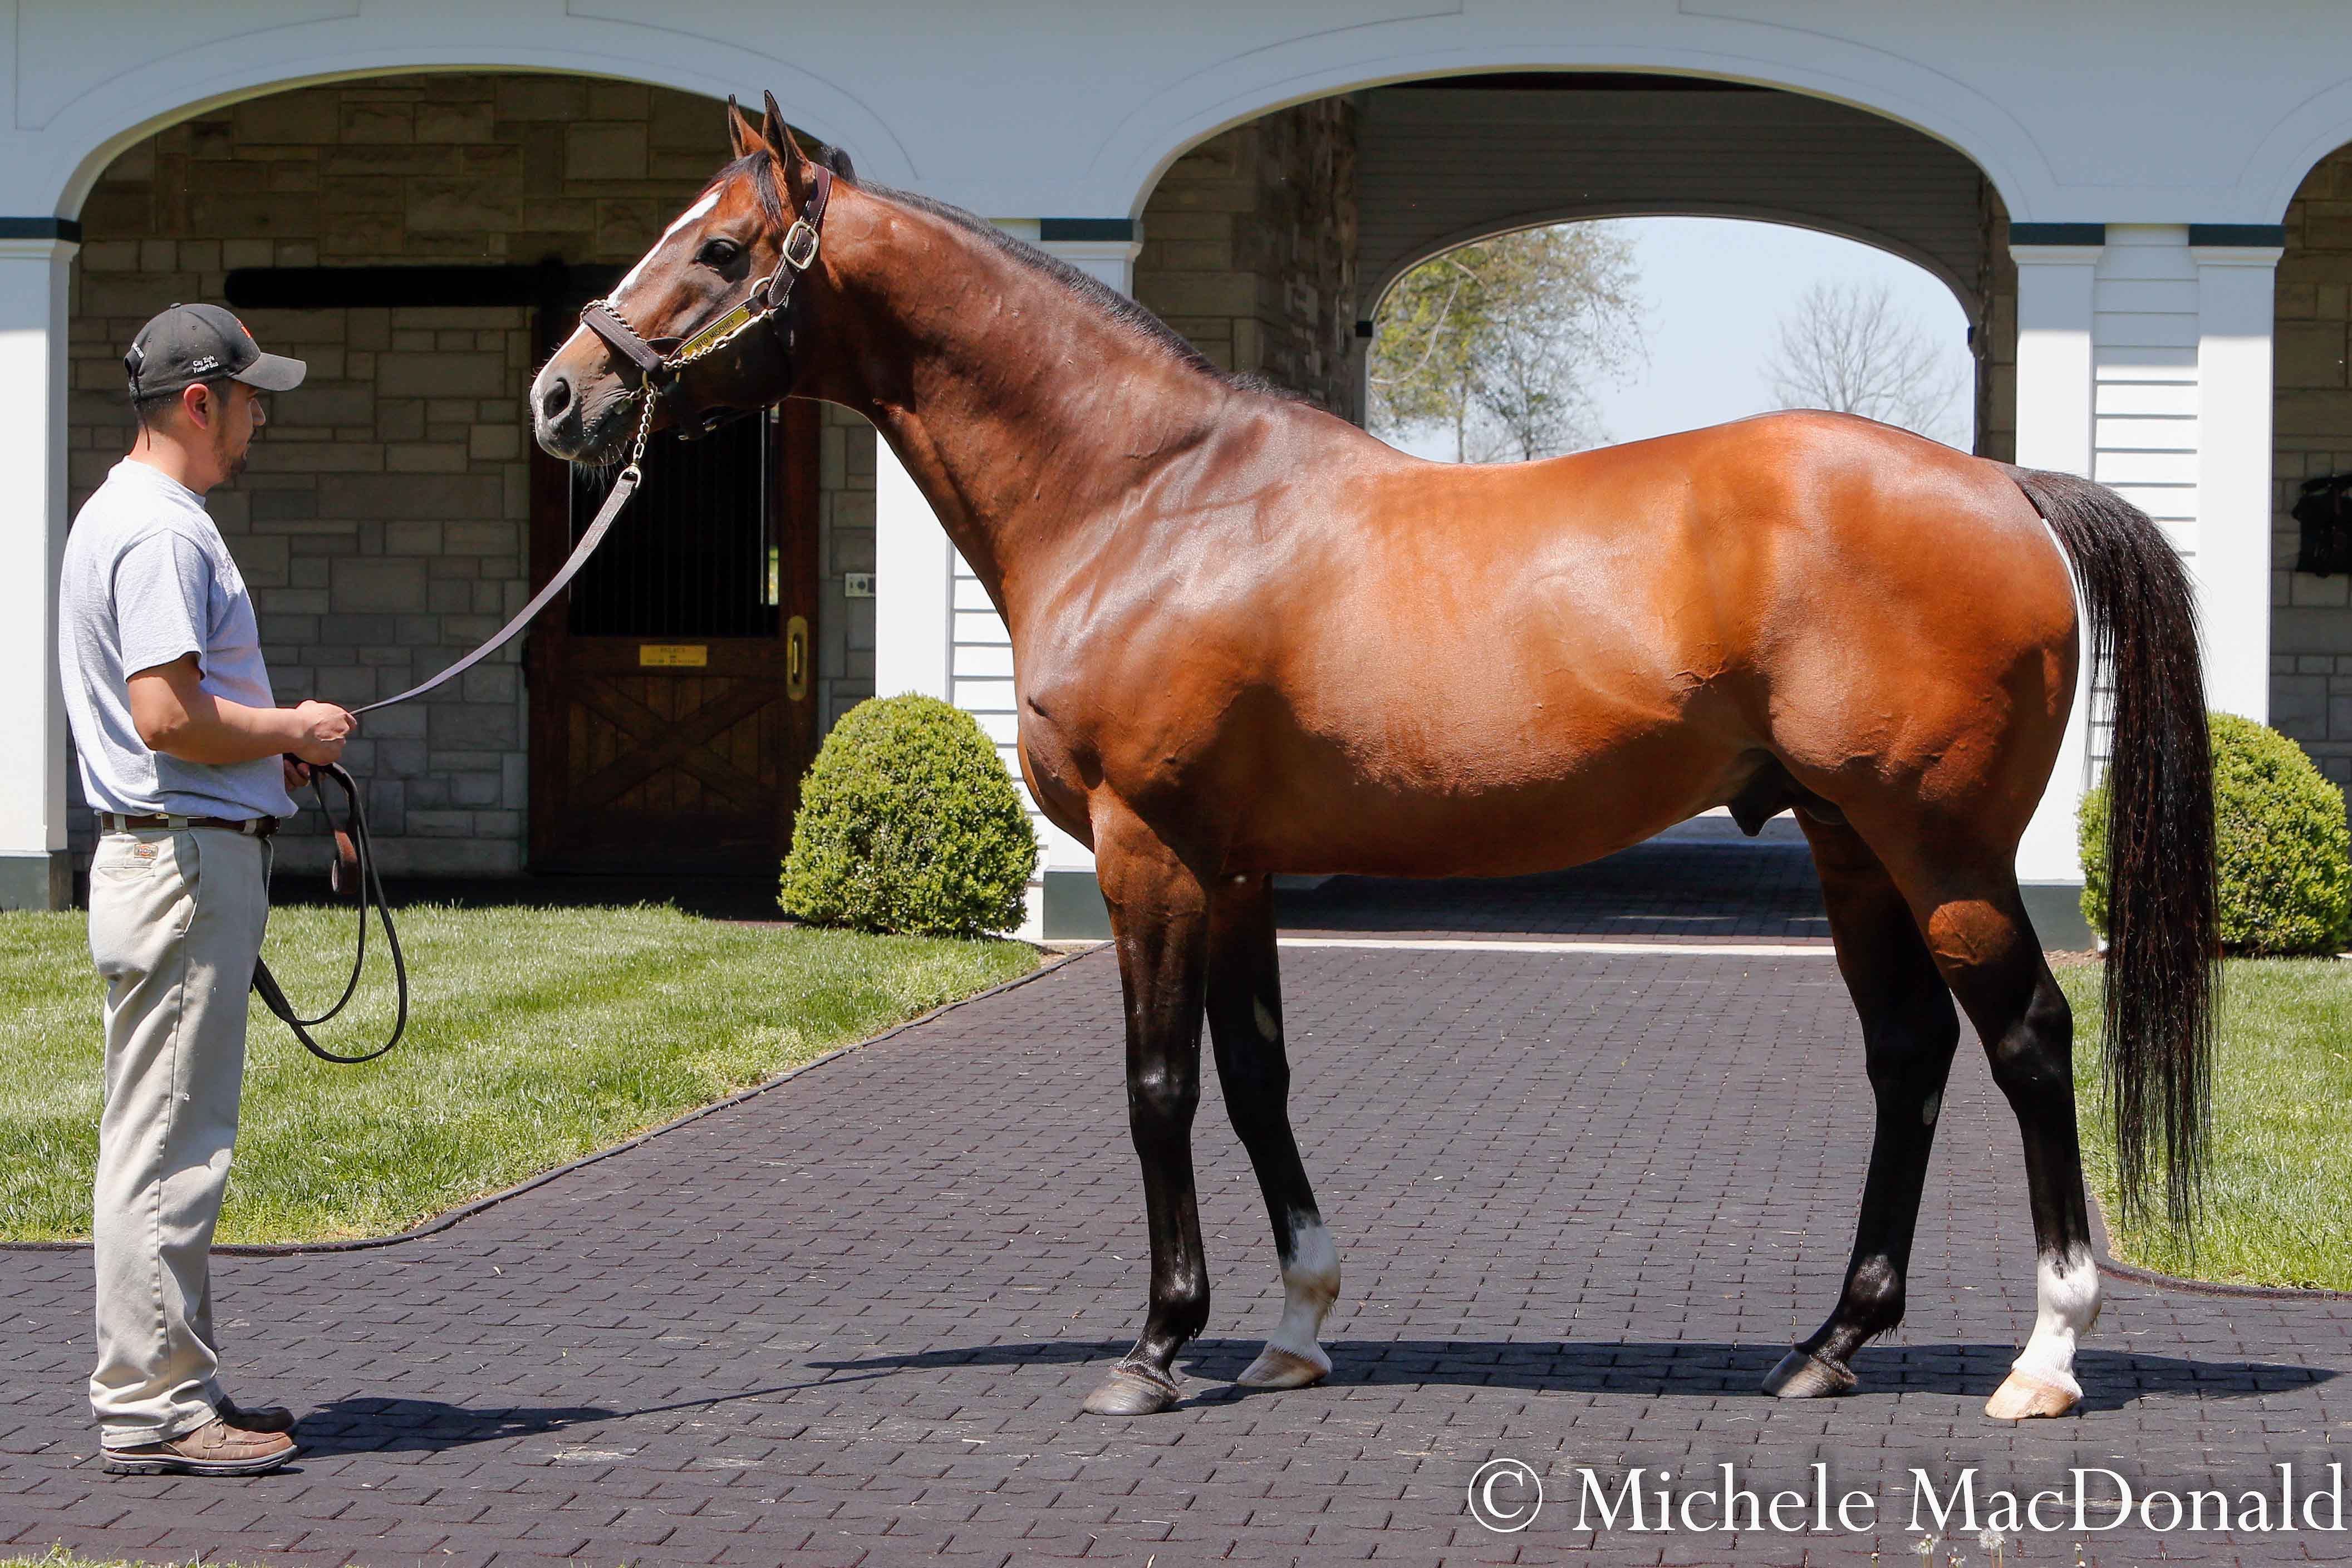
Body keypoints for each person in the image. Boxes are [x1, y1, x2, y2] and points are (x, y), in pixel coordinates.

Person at [56, 304, 357, 1477]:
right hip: (181, 861)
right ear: (198, 400)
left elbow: (174, 724)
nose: (258, 416)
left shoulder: (123, 515)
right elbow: (166, 712)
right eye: (247, 396)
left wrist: (261, 753)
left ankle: (174, 1376)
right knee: (172, 1139)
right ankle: (157, 1404)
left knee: (163, 1127)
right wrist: (294, 725)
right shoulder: (162, 531)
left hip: (167, 844)